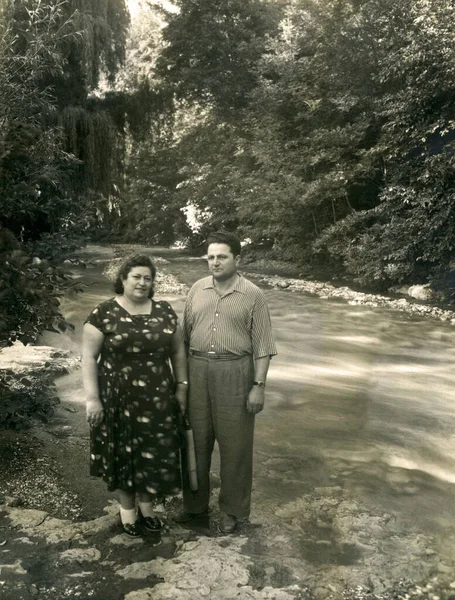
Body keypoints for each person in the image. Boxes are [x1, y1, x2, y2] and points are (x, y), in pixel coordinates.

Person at [174, 231, 277, 534]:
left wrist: (258, 386)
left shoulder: (253, 294)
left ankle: (233, 512)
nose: (215, 262)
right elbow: (182, 339)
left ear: (237, 259)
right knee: (195, 441)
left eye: (222, 256)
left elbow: (263, 347)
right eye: (211, 257)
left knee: (235, 447)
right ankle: (194, 507)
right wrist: (180, 381)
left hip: (235, 372)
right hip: (197, 370)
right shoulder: (196, 290)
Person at [82, 254, 188, 537]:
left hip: (157, 397)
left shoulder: (165, 311)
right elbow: (89, 358)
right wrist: (93, 399)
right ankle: (128, 514)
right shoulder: (103, 313)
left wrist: (181, 386)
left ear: (153, 283)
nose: (142, 282)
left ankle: (148, 508)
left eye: (147, 278)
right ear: (123, 280)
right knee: (123, 452)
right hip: (118, 398)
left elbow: (178, 352)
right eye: (136, 277)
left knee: (153, 452)